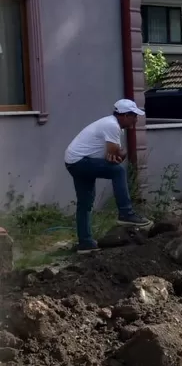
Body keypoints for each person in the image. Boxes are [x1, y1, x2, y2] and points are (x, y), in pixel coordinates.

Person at [64, 99, 152, 253]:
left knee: (85, 203)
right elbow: (115, 156)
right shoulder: (112, 126)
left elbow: (114, 156)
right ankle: (126, 213)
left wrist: (118, 153)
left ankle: (85, 243)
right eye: (134, 116)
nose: (136, 120)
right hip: (80, 162)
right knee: (118, 171)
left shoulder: (113, 125)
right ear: (124, 116)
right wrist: (119, 153)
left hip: (74, 161)